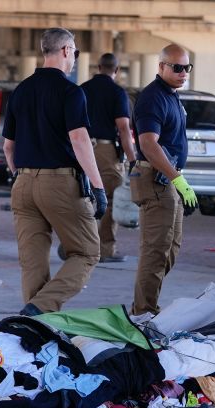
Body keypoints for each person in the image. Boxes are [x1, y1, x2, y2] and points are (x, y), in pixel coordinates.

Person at [2, 27, 108, 316]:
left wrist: (20, 177)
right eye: (74, 51)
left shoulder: (20, 91)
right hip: (60, 183)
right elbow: (79, 140)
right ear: (65, 50)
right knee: (87, 253)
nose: (74, 57)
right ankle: (38, 310)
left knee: (32, 262)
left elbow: (8, 148)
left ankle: (35, 328)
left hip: (22, 183)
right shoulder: (71, 92)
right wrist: (98, 187)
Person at [129, 44, 198, 315]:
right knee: (155, 251)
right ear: (161, 67)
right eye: (177, 67)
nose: (183, 73)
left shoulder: (172, 96)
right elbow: (148, 143)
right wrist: (177, 178)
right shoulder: (153, 97)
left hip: (169, 179)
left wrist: (178, 179)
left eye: (186, 68)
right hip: (157, 179)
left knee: (171, 248)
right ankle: (143, 312)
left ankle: (145, 304)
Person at [80, 53, 136, 263]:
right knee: (110, 200)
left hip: (82, 148)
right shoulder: (117, 92)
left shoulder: (82, 90)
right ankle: (104, 250)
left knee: (84, 198)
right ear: (117, 70)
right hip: (105, 152)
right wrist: (132, 159)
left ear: (98, 66)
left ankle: (80, 247)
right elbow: (123, 127)